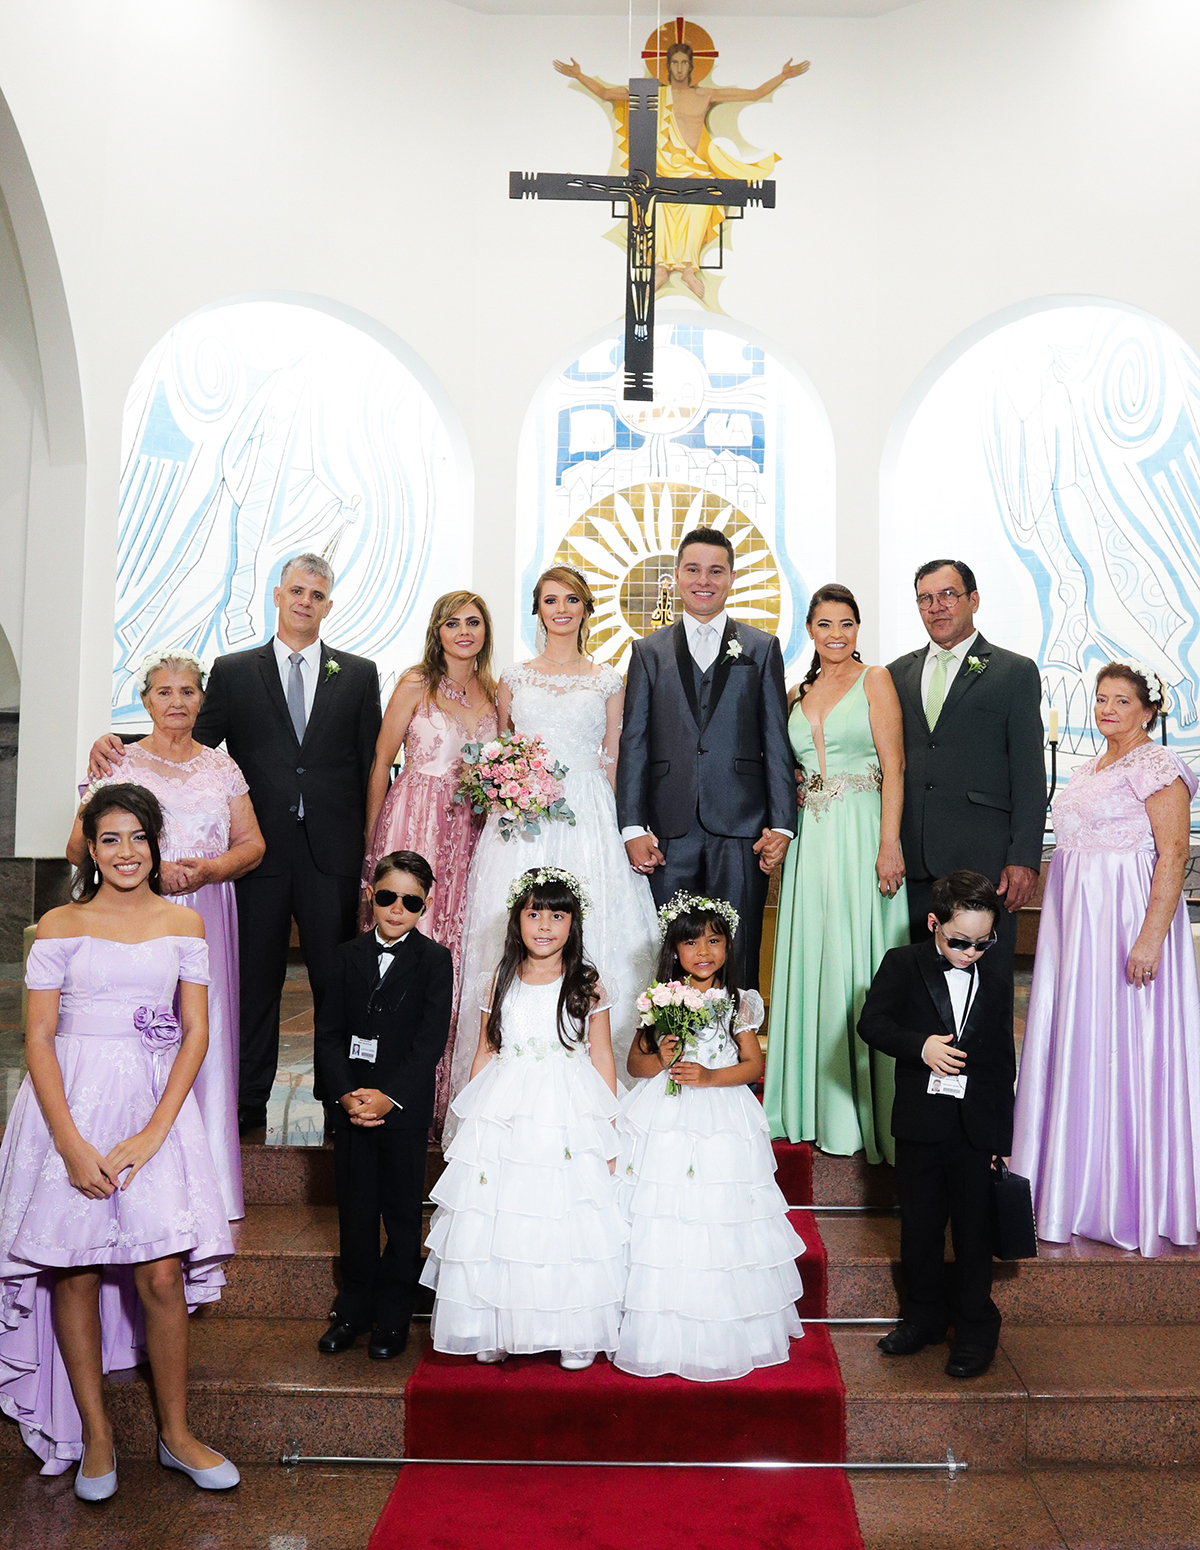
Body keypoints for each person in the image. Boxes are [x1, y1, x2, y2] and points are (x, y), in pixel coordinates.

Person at [89, 553, 382, 1136]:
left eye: (316, 594)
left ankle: (336, 1097)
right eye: (296, 590)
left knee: (335, 981)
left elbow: (373, 764)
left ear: (328, 604)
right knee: (254, 982)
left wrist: (374, 856)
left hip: (332, 855)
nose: (305, 601)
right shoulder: (235, 670)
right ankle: (248, 1100)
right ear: (278, 595)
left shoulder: (357, 673)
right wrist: (114, 741)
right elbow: (182, 738)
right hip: (256, 856)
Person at [0, 785, 237, 1494]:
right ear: (92, 850)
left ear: (155, 845)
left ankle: (177, 1435)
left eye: (138, 837)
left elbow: (195, 1033)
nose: (126, 852)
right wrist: (70, 1144)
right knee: (73, 1270)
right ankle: (96, 1438)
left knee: (161, 1273)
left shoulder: (183, 923)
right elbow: (39, 1038)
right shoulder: (59, 924)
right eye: (110, 838)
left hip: (153, 1109)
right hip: (68, 1107)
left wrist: (155, 1131)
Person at [445, 566, 659, 1134]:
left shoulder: (608, 680)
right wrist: (507, 784)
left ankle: (603, 1102)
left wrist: (626, 830)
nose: (561, 609)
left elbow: (615, 759)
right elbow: (501, 748)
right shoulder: (514, 677)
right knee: (512, 934)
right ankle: (506, 1100)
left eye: (571, 600)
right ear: (537, 610)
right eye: (550, 600)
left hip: (589, 816)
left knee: (600, 931)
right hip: (522, 823)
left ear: (586, 609)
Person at [1012, 661, 1200, 1258]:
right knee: (1083, 1041)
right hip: (1078, 929)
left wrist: (1149, 939)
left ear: (1148, 710)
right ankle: (1076, 1183)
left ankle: (1132, 1195)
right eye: (1101, 699)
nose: (1108, 709)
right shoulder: (1092, 767)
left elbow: (1173, 855)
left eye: (1122, 700)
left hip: (1125, 923)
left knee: (1127, 1045)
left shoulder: (1157, 765)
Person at [68, 649, 265, 1219]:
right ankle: (125, 1168)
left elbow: (253, 845)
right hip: (134, 913)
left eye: (187, 691)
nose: (176, 701)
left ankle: (207, 1184)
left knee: (204, 1032)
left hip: (205, 914)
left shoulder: (222, 768)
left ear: (202, 699)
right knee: (135, 1030)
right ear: (146, 700)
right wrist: (145, 868)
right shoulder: (118, 762)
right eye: (164, 691)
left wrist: (210, 869)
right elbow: (77, 848)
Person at [422, 867, 626, 1370]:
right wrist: (470, 1121)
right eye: (534, 914)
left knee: (562, 1214)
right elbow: (485, 1050)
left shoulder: (586, 983)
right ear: (517, 920)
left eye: (557, 916)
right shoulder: (500, 979)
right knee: (500, 1215)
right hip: (507, 1104)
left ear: (573, 924)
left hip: (567, 1107)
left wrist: (609, 1128)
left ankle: (574, 1328)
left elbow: (602, 1056)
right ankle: (495, 1322)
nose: (544, 926)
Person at [616, 892, 803, 1381]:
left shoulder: (738, 1002)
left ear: (728, 946)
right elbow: (635, 1064)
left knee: (717, 1207)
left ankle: (724, 1317)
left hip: (721, 1112)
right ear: (674, 950)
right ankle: (656, 1321)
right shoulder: (658, 999)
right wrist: (662, 1057)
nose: (703, 951)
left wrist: (710, 1076)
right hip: (665, 1115)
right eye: (691, 942)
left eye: (714, 941)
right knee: (665, 1208)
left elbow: (753, 1064)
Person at [764, 584, 909, 1163]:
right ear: (810, 630)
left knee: (858, 959)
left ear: (857, 628)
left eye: (846, 623)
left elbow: (895, 766)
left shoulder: (875, 679)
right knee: (815, 956)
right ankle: (808, 1105)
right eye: (825, 624)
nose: (836, 635)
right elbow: (784, 769)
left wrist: (889, 844)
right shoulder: (795, 693)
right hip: (812, 840)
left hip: (862, 832)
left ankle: (866, 1113)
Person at [617, 527, 796, 990]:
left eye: (716, 571)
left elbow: (775, 739)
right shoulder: (648, 652)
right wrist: (632, 827)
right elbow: (634, 742)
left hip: (741, 826)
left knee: (738, 947)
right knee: (668, 951)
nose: (704, 580)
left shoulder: (760, 648)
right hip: (667, 829)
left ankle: (737, 1035)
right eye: (693, 569)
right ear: (677, 575)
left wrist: (782, 824)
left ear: (731, 578)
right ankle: (668, 1035)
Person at [858, 871, 1015, 1381]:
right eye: (959, 941)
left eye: (983, 943)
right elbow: (871, 1023)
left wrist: (1001, 1140)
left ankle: (975, 1328)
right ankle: (923, 1317)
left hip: (975, 1129)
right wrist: (920, 1046)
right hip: (921, 1123)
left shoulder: (995, 979)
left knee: (974, 1232)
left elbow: (1002, 1064)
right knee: (921, 1227)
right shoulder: (903, 963)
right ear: (933, 924)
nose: (971, 953)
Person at [361, 592, 498, 1138]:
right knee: (410, 940)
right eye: (452, 622)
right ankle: (385, 1086)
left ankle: (441, 1093)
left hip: (471, 832)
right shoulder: (416, 683)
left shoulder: (494, 692)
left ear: (485, 630)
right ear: (436, 630)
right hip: (414, 821)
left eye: (473, 622)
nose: (463, 631)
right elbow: (380, 763)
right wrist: (373, 843)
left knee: (456, 951)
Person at [314, 851, 453, 1360]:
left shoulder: (435, 961)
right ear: (371, 895)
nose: (397, 909)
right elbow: (328, 1033)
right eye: (389, 897)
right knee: (355, 1213)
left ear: (426, 905)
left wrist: (389, 1097)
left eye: (411, 902)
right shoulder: (344, 955)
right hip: (352, 1105)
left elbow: (429, 1042)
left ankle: (393, 1316)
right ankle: (352, 1311)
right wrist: (345, 1094)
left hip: (401, 1110)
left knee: (400, 1214)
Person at [887, 559, 1046, 986]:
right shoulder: (896, 674)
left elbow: (1030, 773)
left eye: (947, 595)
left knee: (986, 984)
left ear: (973, 600)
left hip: (984, 861)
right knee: (917, 984)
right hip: (912, 859)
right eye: (925, 598)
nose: (936, 606)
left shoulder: (1014, 672)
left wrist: (1023, 857)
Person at [553, 46, 809, 299]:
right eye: (674, 62)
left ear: (691, 66)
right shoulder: (655, 95)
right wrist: (578, 75)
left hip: (693, 168)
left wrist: (783, 75)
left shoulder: (704, 95)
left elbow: (754, 94)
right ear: (668, 65)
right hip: (662, 167)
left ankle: (689, 269)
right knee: (656, 203)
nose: (679, 68)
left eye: (684, 62)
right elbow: (606, 93)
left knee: (705, 198)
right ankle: (661, 268)